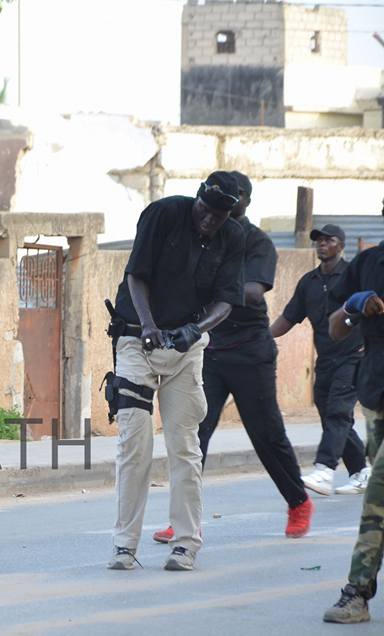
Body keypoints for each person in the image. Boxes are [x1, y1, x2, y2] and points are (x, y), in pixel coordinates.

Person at [153, 172, 313, 544]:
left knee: (265, 434)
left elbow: (255, 292)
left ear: (246, 202)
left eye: (235, 196)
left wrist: (215, 286)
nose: (226, 201)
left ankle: (299, 501)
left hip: (249, 351)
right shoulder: (204, 235)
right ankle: (184, 519)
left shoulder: (258, 242)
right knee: (195, 433)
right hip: (208, 350)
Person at [105, 171, 245, 571]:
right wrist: (148, 325)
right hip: (135, 341)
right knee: (135, 443)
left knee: (184, 446)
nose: (208, 220)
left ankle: (186, 543)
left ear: (227, 215)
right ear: (197, 199)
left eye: (217, 216)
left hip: (185, 351)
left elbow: (227, 301)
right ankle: (124, 545)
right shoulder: (163, 214)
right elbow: (136, 275)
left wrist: (194, 331)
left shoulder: (233, 238)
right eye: (204, 210)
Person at [271, 223, 368, 496]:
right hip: (325, 359)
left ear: (341, 245)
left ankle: (325, 470)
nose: (322, 244)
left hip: (354, 356)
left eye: (329, 240)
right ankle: (361, 471)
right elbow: (289, 317)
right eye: (318, 241)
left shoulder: (354, 276)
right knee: (330, 414)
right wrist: (263, 338)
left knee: (338, 412)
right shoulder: (309, 282)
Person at [322, 199, 384, 624]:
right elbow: (334, 328)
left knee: (378, 496)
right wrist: (351, 307)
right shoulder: (366, 264)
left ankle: (357, 592)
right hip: (377, 396)